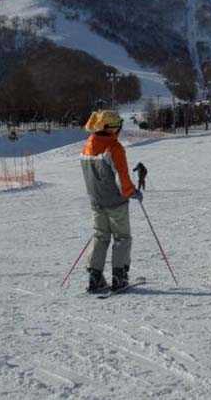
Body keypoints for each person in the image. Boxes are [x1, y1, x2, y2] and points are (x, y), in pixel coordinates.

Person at [80, 110, 143, 293]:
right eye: (118, 127)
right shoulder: (113, 148)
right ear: (111, 128)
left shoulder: (87, 146)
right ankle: (119, 277)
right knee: (122, 238)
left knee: (100, 236)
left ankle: (95, 277)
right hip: (115, 202)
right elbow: (123, 177)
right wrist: (132, 192)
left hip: (96, 202)